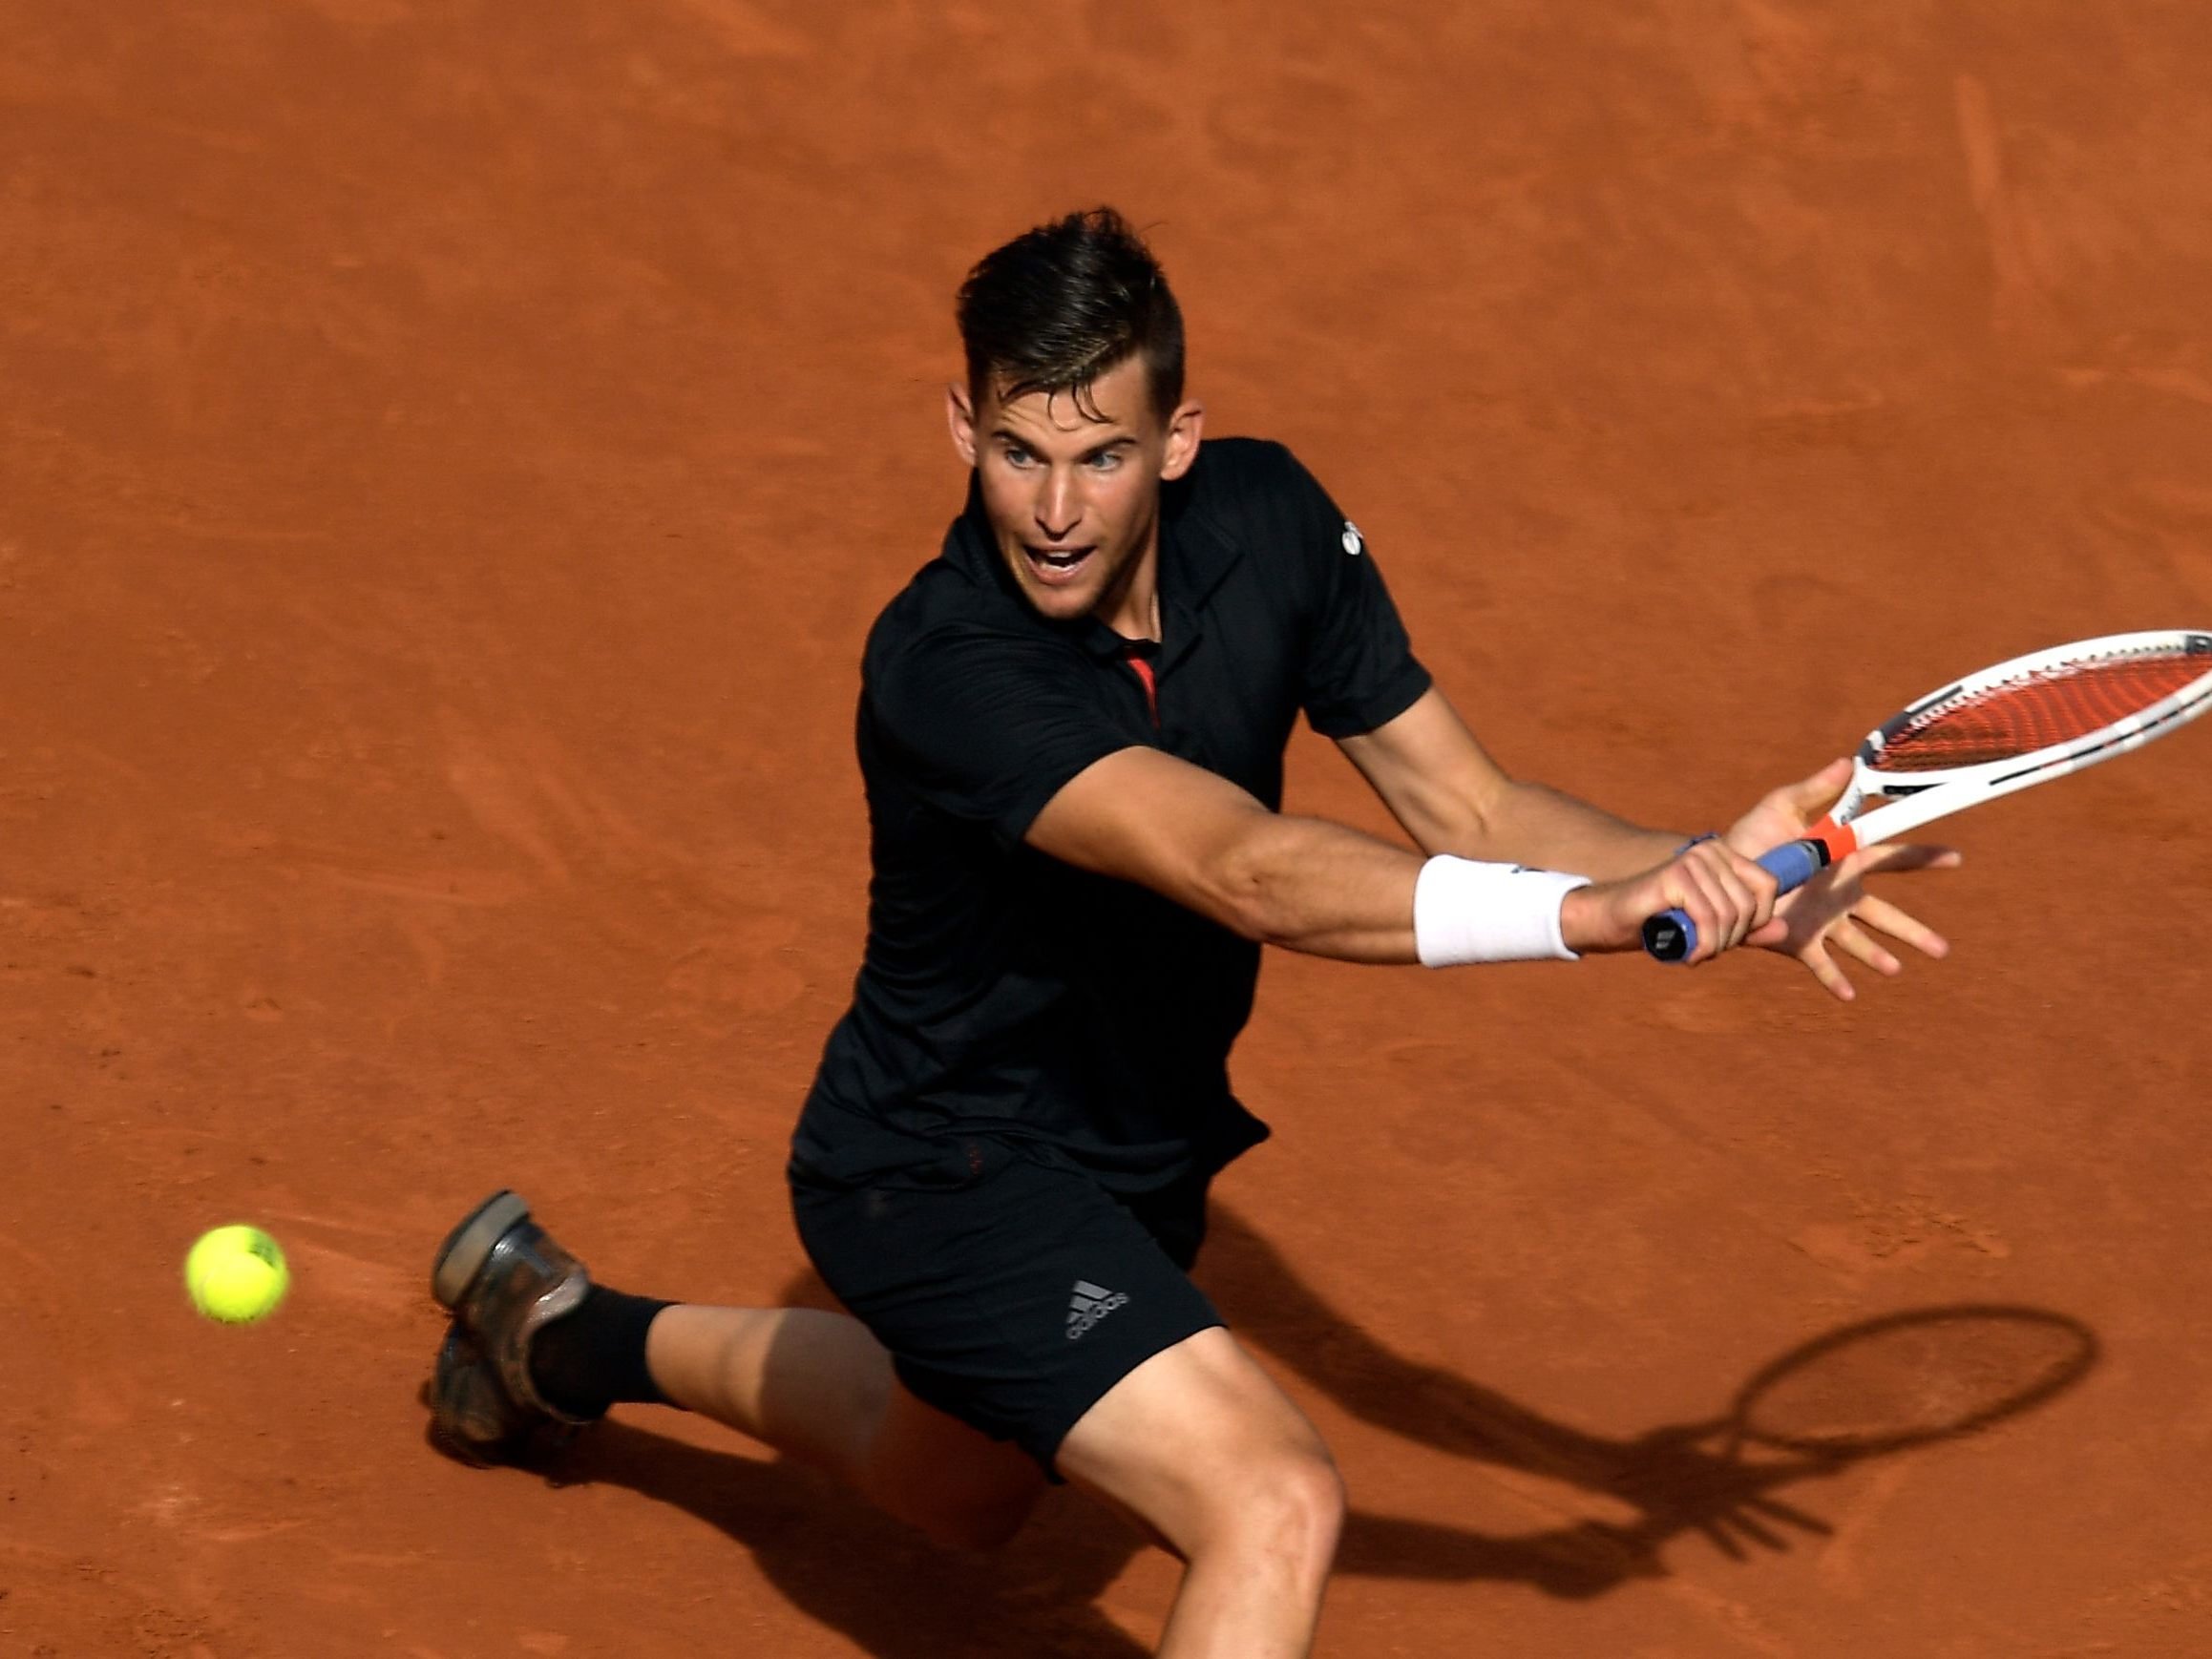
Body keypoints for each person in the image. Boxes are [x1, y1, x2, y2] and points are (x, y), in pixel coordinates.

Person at [423, 207, 1954, 1657]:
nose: (1054, 508)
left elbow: (1469, 806)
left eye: (1099, 456)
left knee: (955, 1490)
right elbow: (1242, 869)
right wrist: (1597, 917)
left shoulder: (1273, 520)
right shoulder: (947, 663)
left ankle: (561, 1329)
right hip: (942, 1162)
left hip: (1128, 1157)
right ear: (963, 430)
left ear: (1178, 438)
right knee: (1267, 1497)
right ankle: (571, 1330)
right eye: (1016, 452)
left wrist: (1702, 868)